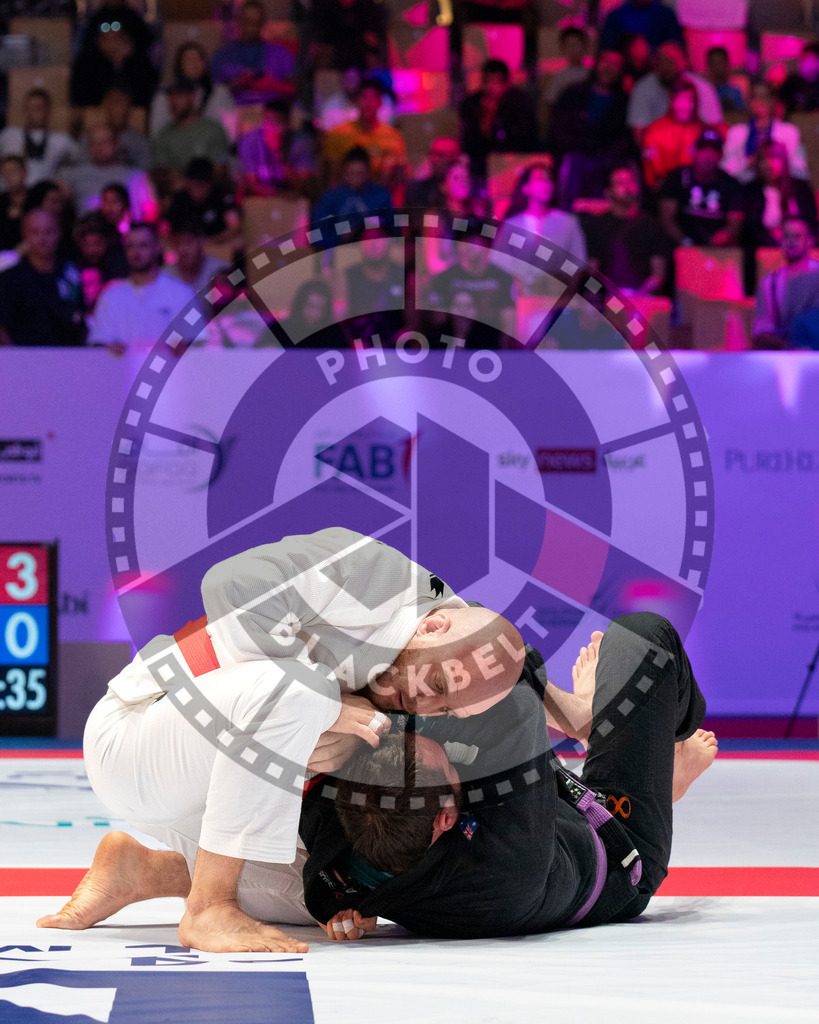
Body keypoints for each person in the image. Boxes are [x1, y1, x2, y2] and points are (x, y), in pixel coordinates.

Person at [35, 527, 527, 951]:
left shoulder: (440, 652)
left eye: (443, 708)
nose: (422, 705)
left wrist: (569, 708)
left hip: (198, 795)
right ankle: (210, 907)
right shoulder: (370, 570)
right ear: (435, 624)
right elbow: (228, 585)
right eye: (436, 687)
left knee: (320, 893)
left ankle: (143, 871)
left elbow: (495, 656)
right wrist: (329, 705)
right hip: (138, 733)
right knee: (300, 691)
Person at [305, 613, 716, 941]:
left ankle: (653, 770)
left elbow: (325, 890)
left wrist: (344, 712)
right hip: (620, 844)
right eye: (446, 766)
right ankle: (659, 767)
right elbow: (509, 671)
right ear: (447, 816)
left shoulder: (335, 868)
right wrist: (578, 710)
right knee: (642, 635)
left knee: (455, 723)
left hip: (535, 813)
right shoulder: (507, 867)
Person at [547, 49, 635, 209]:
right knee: (572, 162)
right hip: (576, 155)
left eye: (615, 64)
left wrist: (603, 153)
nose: (608, 67)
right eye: (605, 61)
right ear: (596, 64)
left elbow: (626, 139)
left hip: (608, 160)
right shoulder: (573, 93)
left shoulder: (624, 102)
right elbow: (558, 129)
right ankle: (568, 217)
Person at [87, 221, 194, 350]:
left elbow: (197, 344)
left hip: (173, 369)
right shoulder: (109, 297)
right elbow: (99, 344)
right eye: (130, 246)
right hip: (120, 369)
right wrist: (108, 347)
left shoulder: (182, 293)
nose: (136, 252)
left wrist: (184, 347)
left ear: (157, 247)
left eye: (143, 245)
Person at [491, 160, 587, 292]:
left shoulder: (568, 223)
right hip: (521, 300)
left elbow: (578, 263)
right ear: (526, 188)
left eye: (548, 180)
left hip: (558, 299)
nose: (546, 185)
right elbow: (499, 263)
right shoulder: (511, 225)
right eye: (539, 180)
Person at [0, 208, 85, 346]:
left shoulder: (71, 273)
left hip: (69, 359)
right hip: (24, 360)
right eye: (35, 232)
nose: (42, 238)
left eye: (48, 232)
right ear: (25, 234)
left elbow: (81, 318)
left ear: (58, 233)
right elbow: (2, 329)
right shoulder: (10, 278)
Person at [582, 165, 668, 295]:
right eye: (620, 183)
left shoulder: (652, 225)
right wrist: (605, 296)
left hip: (642, 299)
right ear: (608, 192)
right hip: (606, 300)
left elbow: (658, 275)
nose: (627, 187)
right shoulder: (595, 226)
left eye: (630, 182)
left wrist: (639, 295)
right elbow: (591, 272)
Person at [427, 226, 516, 344]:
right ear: (457, 246)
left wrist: (504, 355)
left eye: (475, 242)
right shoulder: (444, 278)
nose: (469, 246)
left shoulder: (502, 278)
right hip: (452, 342)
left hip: (489, 344)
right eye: (464, 241)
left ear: (487, 246)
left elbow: (509, 321)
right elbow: (438, 320)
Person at [659, 129, 744, 247]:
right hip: (679, 246)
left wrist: (714, 242)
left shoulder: (730, 184)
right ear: (694, 151)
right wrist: (686, 243)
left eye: (714, 151)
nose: (708, 156)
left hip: (716, 250)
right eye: (703, 150)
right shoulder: (677, 177)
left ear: (721, 155)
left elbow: (735, 223)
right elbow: (667, 219)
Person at [322, 78, 407, 192]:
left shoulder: (393, 137)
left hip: (380, 199)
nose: (368, 102)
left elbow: (401, 177)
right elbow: (331, 178)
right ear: (357, 101)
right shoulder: (338, 134)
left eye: (373, 98)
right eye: (364, 97)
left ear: (380, 102)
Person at [459, 59, 538, 180]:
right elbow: (470, 140)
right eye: (487, 81)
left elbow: (524, 137)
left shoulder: (519, 103)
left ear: (506, 83)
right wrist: (487, 115)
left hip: (513, 159)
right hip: (479, 160)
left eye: (496, 82)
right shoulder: (471, 104)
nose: (491, 87)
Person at [627, 42, 722, 143]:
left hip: (697, 149)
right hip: (658, 151)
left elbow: (715, 128)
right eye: (660, 61)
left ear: (685, 62)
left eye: (670, 62)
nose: (665, 67)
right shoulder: (643, 87)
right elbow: (639, 136)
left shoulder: (702, 87)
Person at [70, 4, 159, 110]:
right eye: (107, 39)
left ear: (127, 40)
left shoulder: (141, 66)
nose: (112, 44)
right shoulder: (86, 67)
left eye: (117, 38)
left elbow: (145, 96)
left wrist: (121, 64)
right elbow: (81, 100)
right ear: (98, 42)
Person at [60, 126, 158, 221]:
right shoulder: (73, 175)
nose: (98, 147)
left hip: (128, 232)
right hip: (88, 232)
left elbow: (151, 212)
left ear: (116, 144)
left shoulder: (137, 176)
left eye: (104, 142)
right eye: (94, 143)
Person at [211, 0, 297, 106]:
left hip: (272, 110)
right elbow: (212, 92)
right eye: (247, 21)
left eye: (256, 22)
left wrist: (271, 84)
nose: (251, 27)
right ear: (239, 20)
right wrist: (235, 84)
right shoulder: (222, 55)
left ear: (263, 23)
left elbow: (295, 88)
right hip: (232, 111)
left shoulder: (281, 53)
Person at [721, 80, 808, 184]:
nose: (760, 101)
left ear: (773, 101)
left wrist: (777, 165)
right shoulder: (736, 133)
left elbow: (801, 171)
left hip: (779, 187)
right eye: (755, 97)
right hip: (744, 188)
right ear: (748, 102)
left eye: (764, 96)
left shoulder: (789, 132)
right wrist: (748, 163)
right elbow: (725, 169)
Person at [751, 216, 819, 349]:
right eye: (786, 236)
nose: (790, 241)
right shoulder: (770, 283)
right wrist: (791, 348)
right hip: (784, 357)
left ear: (810, 241)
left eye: (796, 236)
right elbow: (761, 331)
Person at [741, 140, 818, 254]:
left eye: (774, 158)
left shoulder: (801, 188)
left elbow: (812, 225)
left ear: (784, 160)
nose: (769, 164)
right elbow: (750, 230)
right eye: (763, 159)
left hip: (802, 251)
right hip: (763, 252)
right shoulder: (750, 191)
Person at [149, 82, 232, 185]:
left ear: (192, 97)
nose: (174, 101)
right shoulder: (163, 135)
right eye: (170, 96)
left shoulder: (213, 130)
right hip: (175, 196)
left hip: (208, 193)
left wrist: (188, 180)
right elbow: (162, 174)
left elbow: (220, 172)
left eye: (179, 96)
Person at [149, 41, 236, 139]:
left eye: (199, 59)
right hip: (176, 148)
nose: (195, 63)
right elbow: (157, 133)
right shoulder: (164, 95)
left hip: (211, 146)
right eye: (189, 60)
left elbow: (229, 130)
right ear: (180, 65)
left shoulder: (219, 92)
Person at [237, 99, 318, 198]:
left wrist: (284, 166)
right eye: (267, 121)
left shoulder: (301, 142)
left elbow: (306, 187)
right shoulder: (250, 141)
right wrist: (278, 196)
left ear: (288, 123)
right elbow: (250, 184)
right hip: (261, 200)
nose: (270, 127)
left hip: (292, 200)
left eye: (276, 121)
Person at [0, 88, 77, 187]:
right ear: (25, 109)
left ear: (48, 110)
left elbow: (77, 165)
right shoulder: (9, 135)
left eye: (39, 107)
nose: (35, 112)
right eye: (30, 107)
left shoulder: (62, 140)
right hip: (9, 193)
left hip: (44, 194)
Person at [641, 79, 709, 191]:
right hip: (662, 188)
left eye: (689, 100)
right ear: (672, 102)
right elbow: (651, 165)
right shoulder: (655, 129)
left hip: (695, 188)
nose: (685, 106)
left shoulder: (703, 130)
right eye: (680, 100)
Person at [165, 158, 241, 245]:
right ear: (187, 182)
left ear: (209, 183)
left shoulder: (222, 197)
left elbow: (233, 227)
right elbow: (166, 227)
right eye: (193, 185)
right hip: (184, 246)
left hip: (216, 245)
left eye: (201, 185)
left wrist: (212, 241)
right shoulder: (179, 199)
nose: (197, 190)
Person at [311, 147, 392, 227]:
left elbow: (390, 225)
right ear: (344, 172)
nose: (356, 179)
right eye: (351, 173)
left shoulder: (381, 195)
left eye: (360, 174)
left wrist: (362, 224)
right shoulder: (330, 198)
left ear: (368, 172)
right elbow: (320, 229)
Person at [82, 84, 152, 170]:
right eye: (112, 103)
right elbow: (81, 167)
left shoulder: (139, 141)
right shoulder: (90, 137)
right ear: (104, 105)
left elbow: (145, 173)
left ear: (129, 106)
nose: (116, 108)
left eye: (120, 102)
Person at [309, 0, 388, 74]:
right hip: (332, 55)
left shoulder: (370, 9)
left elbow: (374, 40)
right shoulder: (323, 7)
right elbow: (319, 38)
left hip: (361, 55)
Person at [74, 209, 128, 315]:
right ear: (79, 244)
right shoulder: (74, 268)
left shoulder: (120, 265)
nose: (92, 250)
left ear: (107, 241)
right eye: (87, 244)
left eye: (98, 243)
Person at [165, 221, 228, 294]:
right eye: (177, 243)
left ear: (202, 241)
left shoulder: (223, 270)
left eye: (188, 241)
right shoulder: (165, 275)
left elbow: (240, 302)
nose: (182, 249)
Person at [282, 277, 347, 347]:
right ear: (300, 305)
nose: (314, 313)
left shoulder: (334, 334)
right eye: (310, 306)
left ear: (326, 311)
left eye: (320, 308)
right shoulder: (280, 330)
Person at [599, 0, 683, 53]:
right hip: (622, 71)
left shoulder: (666, 15)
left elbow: (675, 47)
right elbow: (607, 49)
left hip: (658, 71)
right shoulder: (616, 15)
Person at [404, 137, 461, 210]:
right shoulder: (416, 189)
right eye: (432, 154)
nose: (433, 159)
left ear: (455, 159)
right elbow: (402, 218)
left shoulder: (467, 194)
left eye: (440, 155)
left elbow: (464, 220)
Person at [543, 26, 591, 105]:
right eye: (569, 45)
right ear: (563, 49)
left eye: (576, 44)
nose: (573, 49)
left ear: (584, 46)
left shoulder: (591, 73)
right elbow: (550, 100)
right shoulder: (560, 76)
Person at [779, 41, 819, 116]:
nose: (805, 63)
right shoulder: (791, 83)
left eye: (810, 59)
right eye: (804, 59)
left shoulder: (816, 86)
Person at [0, 155, 29, 251]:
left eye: (13, 171)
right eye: (5, 173)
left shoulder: (36, 196)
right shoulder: (2, 201)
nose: (9, 177)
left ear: (24, 173)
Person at [705, 46, 744, 114]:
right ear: (708, 65)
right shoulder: (703, 92)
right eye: (713, 63)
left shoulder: (735, 92)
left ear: (727, 64)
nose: (716, 67)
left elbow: (740, 117)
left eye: (720, 63)